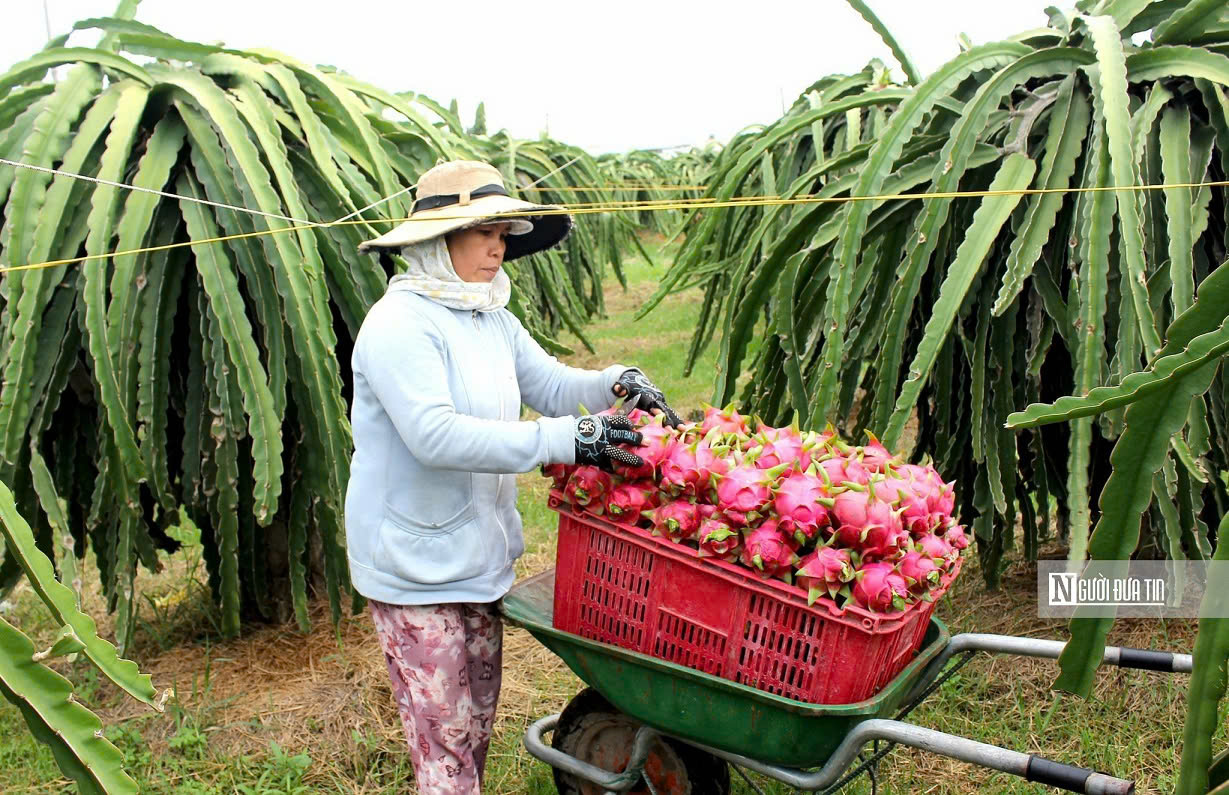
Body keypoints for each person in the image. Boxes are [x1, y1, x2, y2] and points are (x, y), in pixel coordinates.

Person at [345, 160, 681, 794]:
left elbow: (550, 384)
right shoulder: (398, 324)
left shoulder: (489, 315)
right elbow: (434, 435)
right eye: (482, 232)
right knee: (442, 743)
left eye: (503, 231)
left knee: (471, 728)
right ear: (434, 241)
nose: (498, 246)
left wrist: (617, 382)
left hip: (478, 557)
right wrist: (568, 440)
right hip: (413, 567)